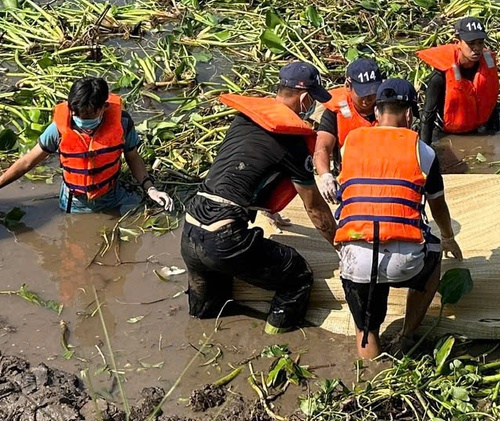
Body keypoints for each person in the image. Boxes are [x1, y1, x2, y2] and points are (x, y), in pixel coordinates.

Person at [181, 62, 338, 335]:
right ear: (304, 99)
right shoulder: (292, 141)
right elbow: (314, 209)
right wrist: (340, 245)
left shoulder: (244, 119)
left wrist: (269, 211)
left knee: (208, 315)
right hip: (224, 239)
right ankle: (276, 341)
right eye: (313, 99)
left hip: (191, 230)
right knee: (297, 276)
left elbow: (243, 171)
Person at [334, 79, 462, 360]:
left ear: (377, 114)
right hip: (404, 263)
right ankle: (407, 337)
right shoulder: (423, 151)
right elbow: (438, 204)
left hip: (356, 259)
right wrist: (449, 237)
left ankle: (370, 371)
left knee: (365, 333)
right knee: (434, 251)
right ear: (409, 115)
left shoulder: (348, 146)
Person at [0, 76, 172, 214]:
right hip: (73, 204)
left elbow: (133, 157)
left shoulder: (123, 123)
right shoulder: (59, 129)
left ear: (104, 107)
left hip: (112, 198)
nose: (82, 120)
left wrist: (150, 189)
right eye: (77, 114)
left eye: (89, 116)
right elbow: (27, 162)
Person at [416, 17, 500, 144]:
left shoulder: (487, 67)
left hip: (478, 130)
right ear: (458, 43)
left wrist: (496, 136)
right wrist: (425, 152)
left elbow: (491, 102)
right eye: (471, 43)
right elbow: (427, 117)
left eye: (480, 42)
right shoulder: (440, 76)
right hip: (447, 133)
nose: (477, 48)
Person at [312, 57, 386, 200]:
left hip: (383, 177)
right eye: (362, 93)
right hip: (349, 179)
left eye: (372, 92)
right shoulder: (335, 112)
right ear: (348, 86)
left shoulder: (389, 106)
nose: (368, 99)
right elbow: (322, 147)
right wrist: (326, 176)